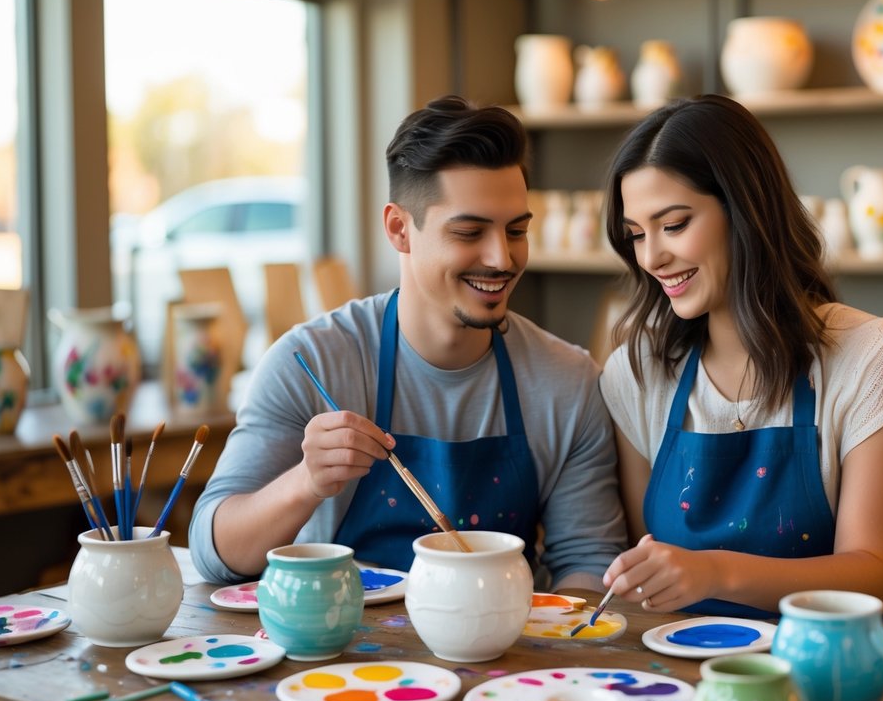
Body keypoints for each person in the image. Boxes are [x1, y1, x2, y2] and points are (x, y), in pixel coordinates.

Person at [189, 95, 627, 592]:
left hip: (499, 654)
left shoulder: (568, 380)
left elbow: (588, 563)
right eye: (469, 231)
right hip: (344, 657)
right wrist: (306, 481)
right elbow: (214, 552)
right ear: (400, 229)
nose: (501, 258)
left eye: (516, 230)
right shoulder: (309, 362)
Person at [596, 94, 883, 620]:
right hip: (683, 662)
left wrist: (714, 571)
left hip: (832, 672)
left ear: (747, 210)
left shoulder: (873, 359)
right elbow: (642, 556)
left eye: (675, 224)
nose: (651, 257)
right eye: (636, 235)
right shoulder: (638, 371)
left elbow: (873, 574)